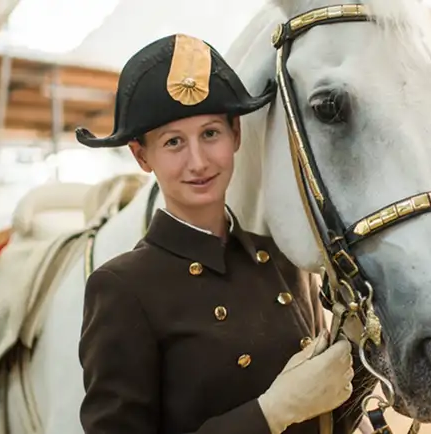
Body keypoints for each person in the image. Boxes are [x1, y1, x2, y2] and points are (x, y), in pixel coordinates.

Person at [74, 33, 377, 434]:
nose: (198, 161)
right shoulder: (121, 288)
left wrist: (363, 356)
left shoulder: (284, 260)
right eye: (173, 142)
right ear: (142, 155)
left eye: (210, 133)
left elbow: (324, 417)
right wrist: (272, 411)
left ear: (235, 133)